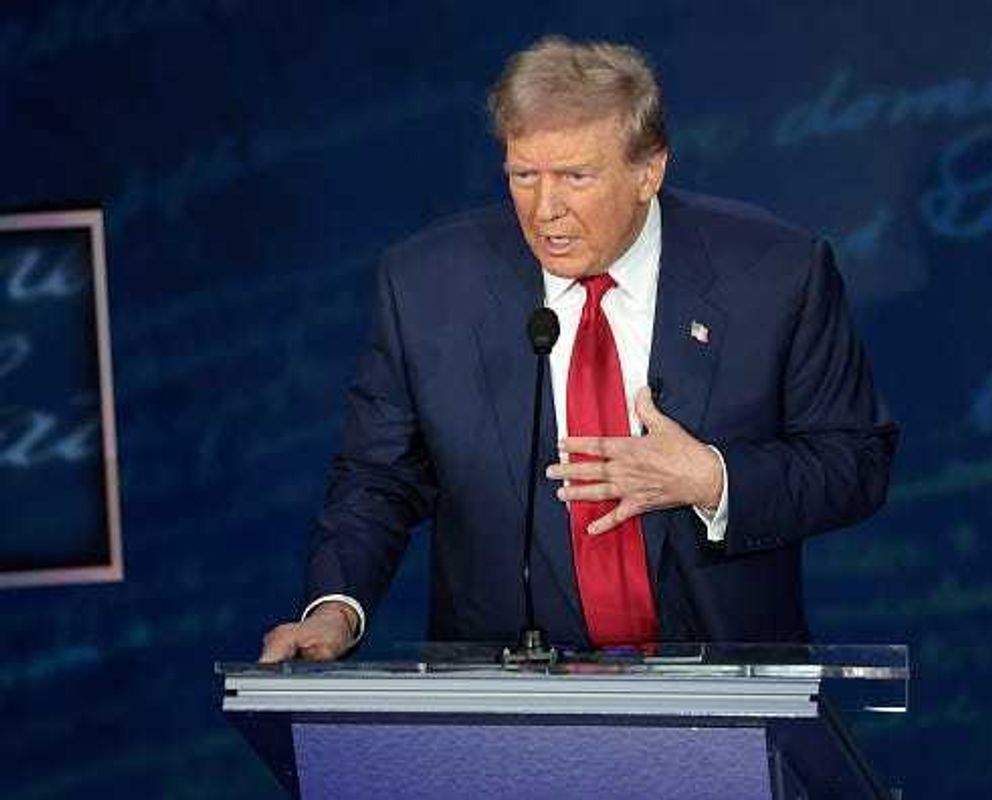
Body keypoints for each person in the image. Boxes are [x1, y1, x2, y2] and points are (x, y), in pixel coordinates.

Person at [260, 37, 898, 662]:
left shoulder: (775, 273)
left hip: (721, 689)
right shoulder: (428, 286)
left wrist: (711, 478)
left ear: (648, 171)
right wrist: (334, 610)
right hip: (507, 703)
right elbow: (378, 477)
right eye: (523, 176)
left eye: (575, 176)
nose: (545, 210)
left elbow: (854, 460)